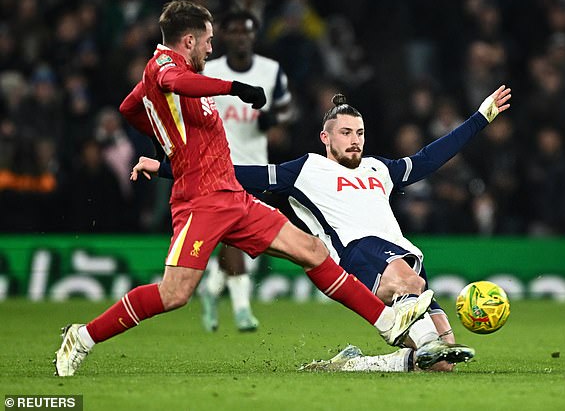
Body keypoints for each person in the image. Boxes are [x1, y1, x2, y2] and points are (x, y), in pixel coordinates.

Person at [53, 0, 434, 377]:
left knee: (313, 250)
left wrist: (163, 137)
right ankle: (82, 337)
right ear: (188, 40)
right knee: (174, 294)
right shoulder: (164, 66)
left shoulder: (169, 81)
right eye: (207, 40)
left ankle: (387, 322)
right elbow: (171, 82)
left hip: (233, 196)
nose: (211, 47)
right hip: (200, 201)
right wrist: (233, 87)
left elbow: (129, 108)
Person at [133, 84, 512, 371]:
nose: (355, 141)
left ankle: (353, 364)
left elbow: (429, 158)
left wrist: (481, 117)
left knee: (441, 361)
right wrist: (164, 167)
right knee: (412, 290)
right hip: (356, 255)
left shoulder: (379, 169)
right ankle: (423, 342)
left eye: (360, 133)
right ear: (325, 137)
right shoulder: (304, 169)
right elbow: (233, 174)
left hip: (403, 255)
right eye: (346, 133)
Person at [199, 10, 294, 333]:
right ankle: (242, 309)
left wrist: (274, 120)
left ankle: (212, 289)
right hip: (218, 167)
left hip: (257, 168)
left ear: (254, 36)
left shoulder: (271, 70)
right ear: (223, 36)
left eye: (247, 31)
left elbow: (285, 107)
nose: (241, 36)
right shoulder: (209, 72)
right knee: (235, 238)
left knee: (239, 239)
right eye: (234, 31)